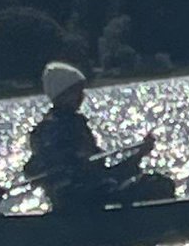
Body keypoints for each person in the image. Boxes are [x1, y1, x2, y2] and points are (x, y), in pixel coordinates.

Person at [25, 61, 175, 211]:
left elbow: (100, 172)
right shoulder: (58, 129)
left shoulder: (63, 125)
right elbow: (91, 175)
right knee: (158, 185)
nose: (81, 97)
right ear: (63, 94)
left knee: (154, 182)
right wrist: (137, 156)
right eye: (77, 92)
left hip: (91, 192)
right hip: (86, 198)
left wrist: (139, 155)